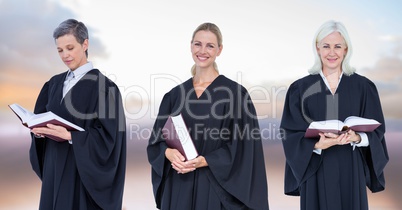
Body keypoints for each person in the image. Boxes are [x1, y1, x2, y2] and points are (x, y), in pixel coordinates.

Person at [147, 22, 269, 210]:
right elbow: (157, 141)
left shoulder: (236, 94)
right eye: (198, 44)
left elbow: (245, 147)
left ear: (219, 50)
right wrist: (169, 154)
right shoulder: (175, 95)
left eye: (210, 45)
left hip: (215, 189)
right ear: (190, 46)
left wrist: (207, 160)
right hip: (179, 185)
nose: (202, 50)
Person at [280, 20, 389, 210]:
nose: (332, 52)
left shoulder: (363, 87)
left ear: (346, 49)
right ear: (317, 48)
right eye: (326, 46)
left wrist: (357, 137)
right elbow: (290, 132)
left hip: (351, 168)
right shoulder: (300, 89)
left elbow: (378, 132)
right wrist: (316, 144)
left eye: (338, 46)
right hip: (316, 168)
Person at [30, 19, 126, 210]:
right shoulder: (53, 84)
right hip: (54, 168)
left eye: (70, 47)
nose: (65, 55)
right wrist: (38, 131)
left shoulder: (105, 88)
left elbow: (110, 138)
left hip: (81, 175)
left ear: (85, 44)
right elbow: (40, 117)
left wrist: (70, 136)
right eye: (60, 50)